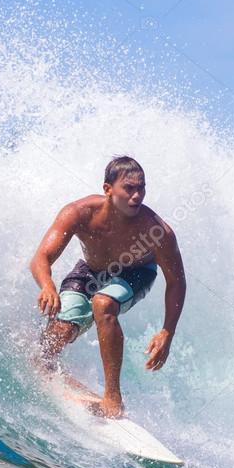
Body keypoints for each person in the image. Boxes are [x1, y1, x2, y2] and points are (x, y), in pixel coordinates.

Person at [30, 156, 186, 418]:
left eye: (142, 188)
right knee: (59, 333)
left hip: (136, 273)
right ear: (107, 189)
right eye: (129, 188)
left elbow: (176, 282)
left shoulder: (157, 231)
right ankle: (44, 364)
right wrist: (47, 286)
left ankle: (113, 398)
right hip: (90, 270)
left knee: (103, 304)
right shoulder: (78, 213)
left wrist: (167, 331)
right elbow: (41, 258)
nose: (137, 195)